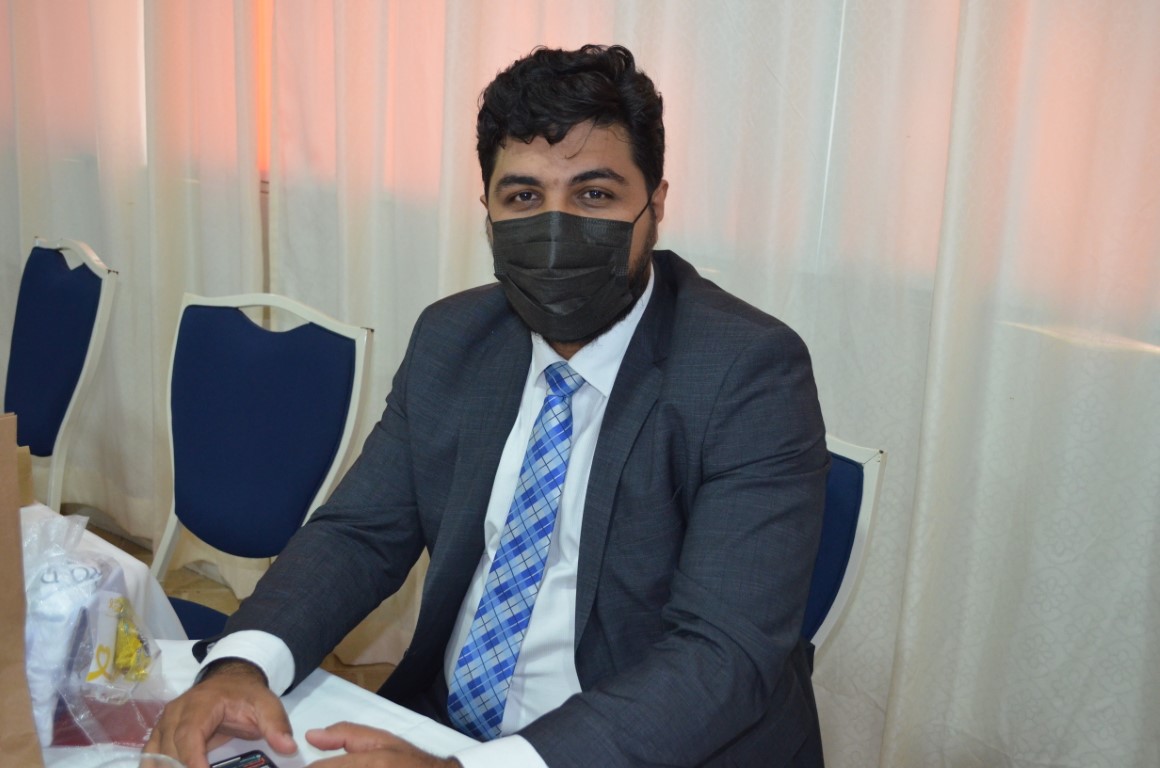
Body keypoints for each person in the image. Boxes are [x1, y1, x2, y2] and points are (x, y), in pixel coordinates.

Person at [146, 44, 829, 768]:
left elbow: (719, 656)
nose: (556, 229)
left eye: (595, 195)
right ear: (489, 212)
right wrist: (242, 665)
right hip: (448, 731)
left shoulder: (748, 372)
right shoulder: (455, 338)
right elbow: (360, 535)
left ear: (655, 204)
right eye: (524, 197)